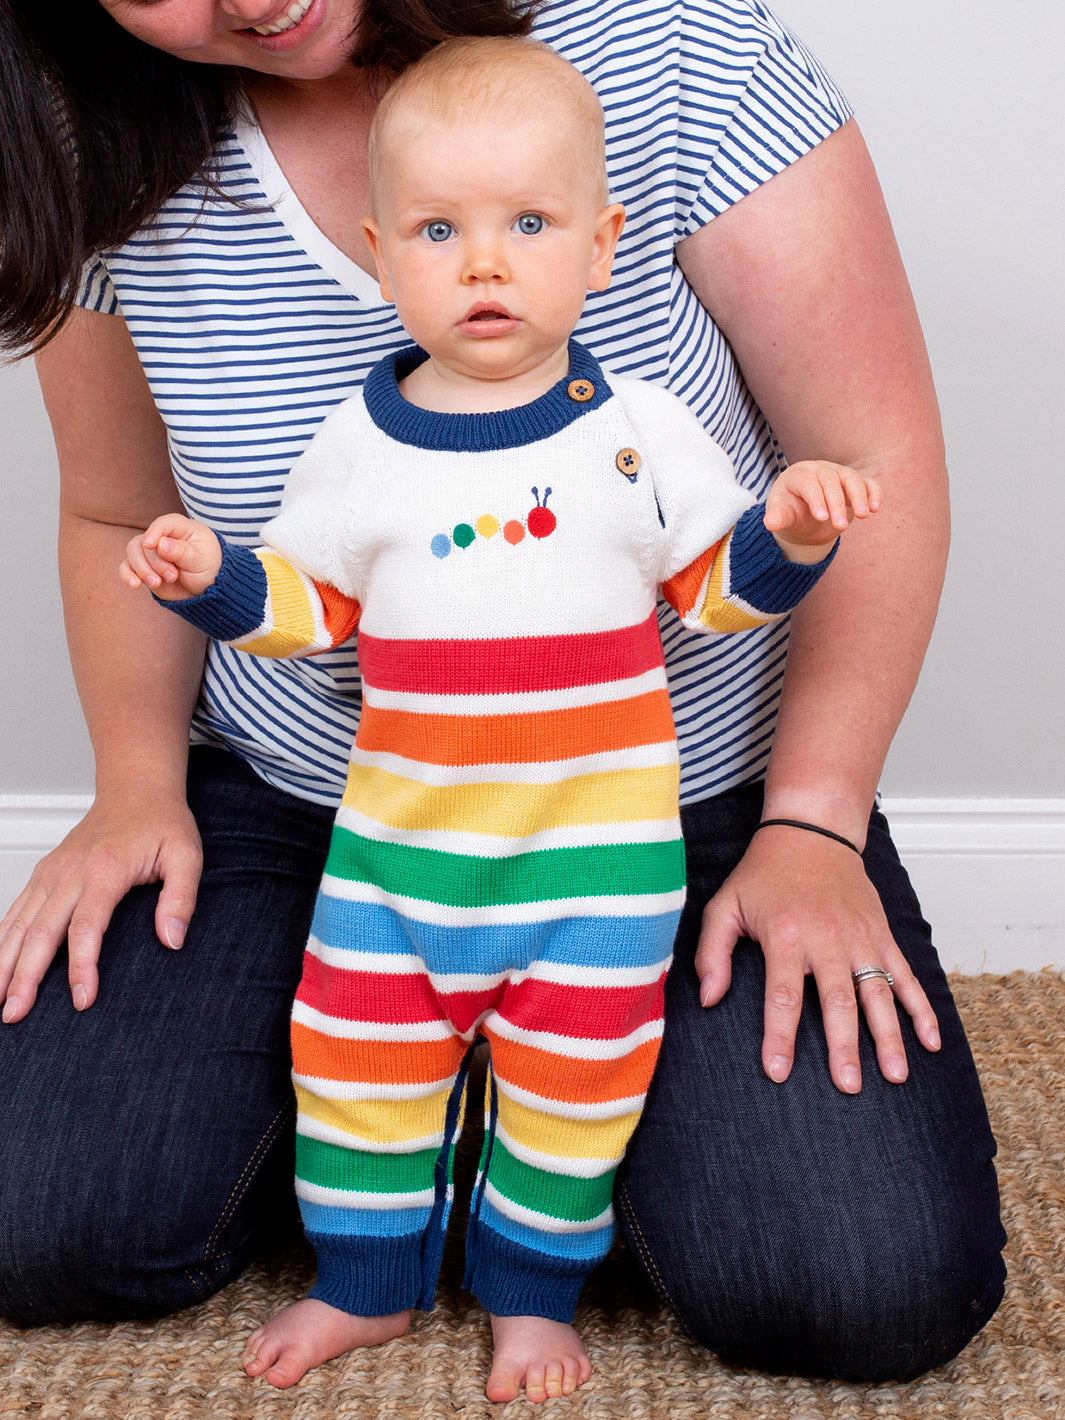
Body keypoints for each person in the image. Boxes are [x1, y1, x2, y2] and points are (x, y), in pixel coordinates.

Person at [0, 0, 1005, 1392]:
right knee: (42, 1220)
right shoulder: (123, 177)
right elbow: (178, 540)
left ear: (593, 243)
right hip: (340, 819)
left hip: (649, 817)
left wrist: (814, 818)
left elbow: (809, 505)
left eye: (529, 226)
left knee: (856, 1281)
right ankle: (388, 1171)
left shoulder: (663, 76)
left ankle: (537, 1172)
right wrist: (133, 779)